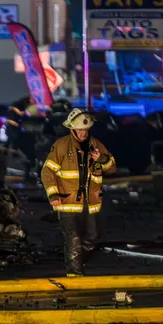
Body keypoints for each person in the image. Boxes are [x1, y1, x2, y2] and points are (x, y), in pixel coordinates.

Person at [40, 109, 116, 277]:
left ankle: (76, 262)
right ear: (72, 130)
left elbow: (112, 167)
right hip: (67, 202)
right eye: (80, 130)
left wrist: (102, 160)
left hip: (91, 203)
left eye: (85, 130)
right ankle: (74, 274)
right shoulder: (61, 146)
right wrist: (53, 194)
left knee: (91, 239)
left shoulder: (96, 145)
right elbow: (47, 172)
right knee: (73, 238)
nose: (83, 133)